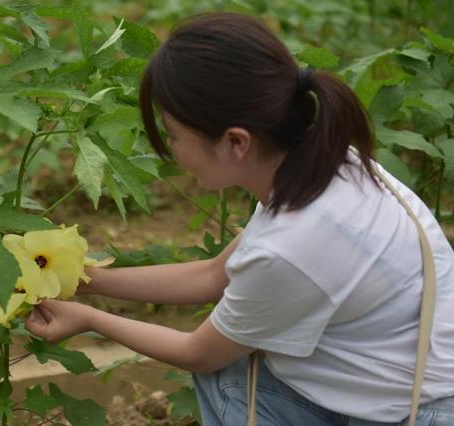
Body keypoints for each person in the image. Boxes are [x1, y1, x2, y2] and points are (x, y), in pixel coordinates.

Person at [25, 12, 454, 425]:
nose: (171, 149)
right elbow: (214, 274)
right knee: (235, 368)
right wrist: (82, 277)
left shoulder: (292, 245)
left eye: (173, 134)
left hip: (421, 412)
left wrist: (90, 319)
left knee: (226, 368)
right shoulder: (322, 164)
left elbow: (200, 353)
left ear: (236, 142)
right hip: (397, 383)